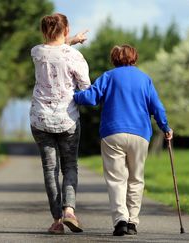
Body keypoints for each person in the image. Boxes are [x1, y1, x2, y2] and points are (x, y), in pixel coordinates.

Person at [74, 44, 173, 236]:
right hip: (140, 134)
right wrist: (165, 128)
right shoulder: (145, 79)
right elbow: (157, 108)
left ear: (114, 59)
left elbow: (91, 98)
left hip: (113, 133)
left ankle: (120, 219)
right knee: (136, 179)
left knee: (116, 179)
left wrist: (73, 96)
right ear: (134, 58)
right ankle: (133, 222)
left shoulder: (109, 76)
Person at [29, 13, 90, 234]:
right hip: (68, 120)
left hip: (40, 119)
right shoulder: (74, 57)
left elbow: (53, 47)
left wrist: (71, 39)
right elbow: (85, 87)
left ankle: (56, 221)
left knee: (50, 170)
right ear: (66, 30)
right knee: (70, 166)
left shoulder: (36, 52)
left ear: (43, 31)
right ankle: (69, 211)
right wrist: (73, 42)